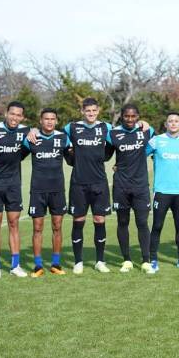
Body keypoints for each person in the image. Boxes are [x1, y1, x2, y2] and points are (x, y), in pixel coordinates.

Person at [62, 98, 114, 274]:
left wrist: (143, 124)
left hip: (99, 182)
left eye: (94, 110)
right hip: (78, 183)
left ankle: (100, 261)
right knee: (78, 221)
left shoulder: (106, 127)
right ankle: (78, 262)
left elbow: (118, 141)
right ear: (82, 111)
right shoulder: (72, 127)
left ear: (98, 111)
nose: (91, 113)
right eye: (88, 111)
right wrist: (70, 159)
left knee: (99, 220)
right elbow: (58, 138)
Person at [0, 101, 29, 279]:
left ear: (22, 117)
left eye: (18, 115)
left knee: (14, 223)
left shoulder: (26, 131)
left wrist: (34, 131)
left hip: (14, 183)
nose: (15, 117)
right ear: (6, 113)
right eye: (12, 114)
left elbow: (25, 151)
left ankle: (15, 265)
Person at [109, 104, 155, 272]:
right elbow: (104, 153)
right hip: (121, 185)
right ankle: (127, 260)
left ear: (138, 116)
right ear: (122, 116)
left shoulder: (147, 131)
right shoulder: (112, 133)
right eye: (126, 116)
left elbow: (157, 145)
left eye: (133, 116)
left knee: (142, 222)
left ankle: (146, 260)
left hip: (141, 186)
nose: (130, 119)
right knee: (123, 222)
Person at [24, 108, 69, 276]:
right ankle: (38, 265)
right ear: (40, 121)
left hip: (57, 189)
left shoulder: (63, 138)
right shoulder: (31, 138)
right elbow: (15, 154)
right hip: (38, 190)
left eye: (52, 119)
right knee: (37, 228)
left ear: (56, 121)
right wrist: (30, 130)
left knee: (57, 226)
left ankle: (56, 264)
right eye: (46, 119)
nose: (49, 121)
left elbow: (74, 157)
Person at [146, 112, 179, 272]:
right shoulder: (157, 140)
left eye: (176, 121)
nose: (173, 123)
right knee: (157, 225)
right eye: (170, 121)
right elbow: (139, 154)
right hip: (161, 191)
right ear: (166, 124)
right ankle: (153, 259)